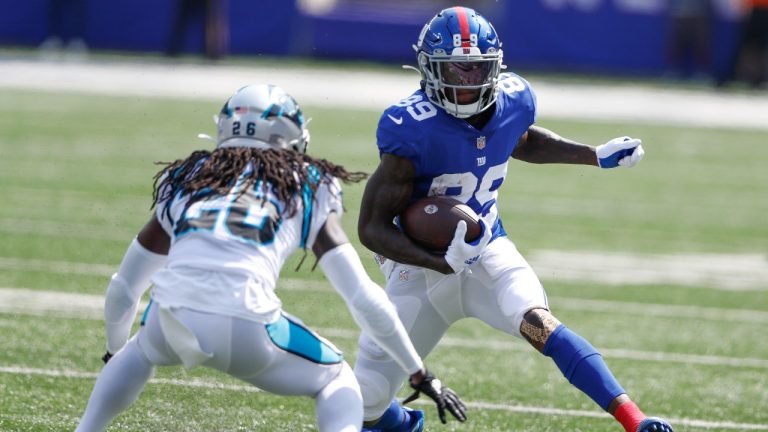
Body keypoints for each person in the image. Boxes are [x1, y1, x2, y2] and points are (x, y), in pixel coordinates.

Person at [353, 7, 675, 432]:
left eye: (477, 69)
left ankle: (635, 420)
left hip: (488, 249)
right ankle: (405, 424)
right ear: (430, 68)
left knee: (540, 323)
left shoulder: (513, 98)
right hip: (419, 266)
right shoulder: (410, 126)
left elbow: (521, 139)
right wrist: (439, 262)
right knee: (366, 402)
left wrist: (592, 155)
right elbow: (370, 229)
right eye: (457, 68)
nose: (467, 80)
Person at [74, 84, 466, 432]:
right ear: (291, 136)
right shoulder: (306, 182)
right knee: (338, 380)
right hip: (248, 324)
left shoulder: (189, 175)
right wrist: (418, 372)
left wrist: (113, 351)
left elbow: (125, 288)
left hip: (170, 319)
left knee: (138, 350)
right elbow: (362, 297)